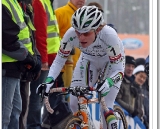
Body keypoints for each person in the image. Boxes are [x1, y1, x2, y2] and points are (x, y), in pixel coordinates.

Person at [37, 6, 125, 129]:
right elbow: (59, 61)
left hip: (110, 64)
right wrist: (48, 81)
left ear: (97, 29)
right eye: (78, 32)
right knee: (74, 102)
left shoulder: (109, 35)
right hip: (88, 60)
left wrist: (109, 81)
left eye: (86, 33)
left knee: (105, 105)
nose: (81, 37)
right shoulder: (71, 34)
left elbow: (119, 70)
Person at [2, 0, 40, 128]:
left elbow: (28, 34)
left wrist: (34, 57)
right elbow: (7, 39)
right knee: (4, 117)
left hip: (15, 66)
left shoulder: (13, 2)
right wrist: (29, 58)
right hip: (6, 67)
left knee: (15, 112)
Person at [27, 0, 62, 129]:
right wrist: (43, 60)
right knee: (38, 96)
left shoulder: (47, 2)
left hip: (52, 59)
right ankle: (33, 125)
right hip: (45, 59)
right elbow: (40, 33)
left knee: (45, 96)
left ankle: (42, 124)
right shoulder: (40, 2)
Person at [18, 0, 42, 129]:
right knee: (12, 111)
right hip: (14, 64)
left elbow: (32, 36)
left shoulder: (28, 5)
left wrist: (36, 57)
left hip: (27, 64)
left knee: (22, 107)